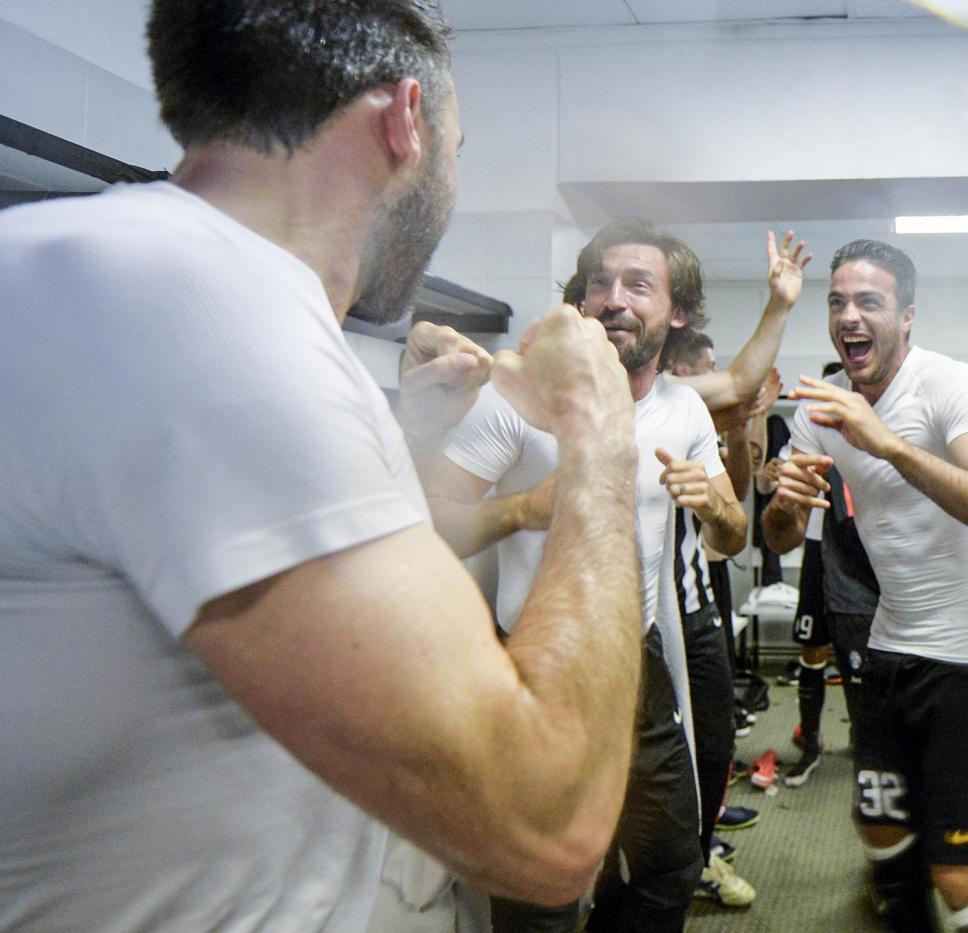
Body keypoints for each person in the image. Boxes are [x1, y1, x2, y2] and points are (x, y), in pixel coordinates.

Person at [0, 2, 645, 930]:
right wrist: (600, 432)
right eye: (459, 148)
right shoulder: (204, 307)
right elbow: (548, 824)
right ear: (406, 121)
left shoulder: (128, 272)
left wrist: (399, 435)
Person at [423, 219, 790, 932]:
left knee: (671, 863)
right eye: (600, 282)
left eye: (638, 284)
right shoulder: (518, 402)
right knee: (542, 884)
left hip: (638, 664)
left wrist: (716, 507)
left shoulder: (683, 408)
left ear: (677, 312)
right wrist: (524, 509)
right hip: (536, 668)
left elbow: (731, 537)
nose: (613, 298)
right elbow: (427, 521)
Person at [763, 239, 968, 933]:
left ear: (906, 316)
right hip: (892, 640)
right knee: (881, 824)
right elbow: (781, 537)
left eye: (869, 302)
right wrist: (786, 501)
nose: (849, 316)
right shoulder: (823, 408)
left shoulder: (947, 384)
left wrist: (884, 442)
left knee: (958, 871)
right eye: (837, 302)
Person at [656, 238, 810, 910]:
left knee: (712, 743)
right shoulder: (561, 395)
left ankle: (700, 849)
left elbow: (737, 509)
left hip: (691, 598)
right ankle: (672, 863)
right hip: (621, 614)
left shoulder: (683, 406)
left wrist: (745, 425)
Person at [784, 362, 880, 789]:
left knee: (860, 656)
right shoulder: (806, 434)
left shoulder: (866, 440)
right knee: (812, 648)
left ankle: (864, 742)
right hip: (815, 551)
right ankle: (809, 746)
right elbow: (777, 489)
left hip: (854, 555)